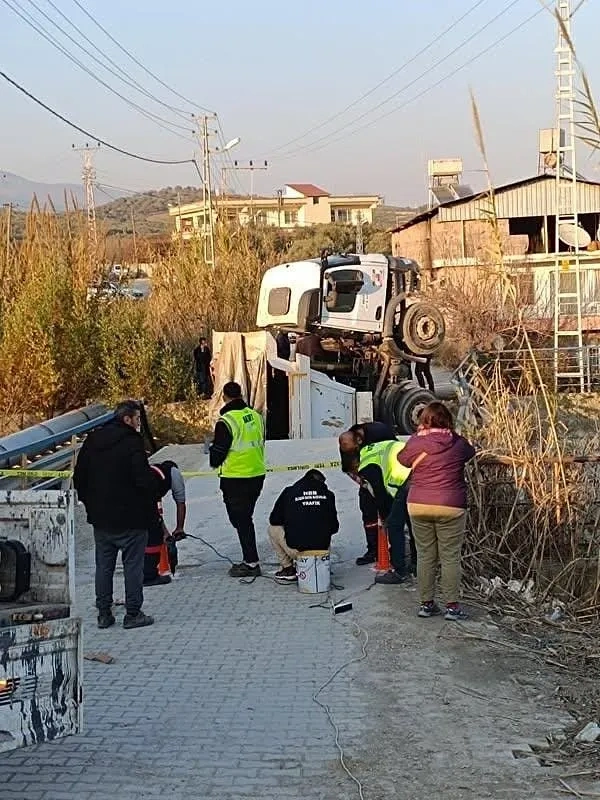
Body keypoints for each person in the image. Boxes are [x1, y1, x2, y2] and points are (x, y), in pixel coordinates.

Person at [73, 400, 156, 630]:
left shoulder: (93, 440)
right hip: (132, 518)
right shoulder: (132, 443)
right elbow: (142, 479)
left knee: (104, 567)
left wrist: (90, 505)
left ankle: (103, 613)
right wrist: (151, 501)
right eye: (137, 419)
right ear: (127, 419)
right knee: (132, 566)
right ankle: (133, 613)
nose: (140, 423)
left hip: (101, 519)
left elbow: (79, 477)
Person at [397, 402, 476, 621]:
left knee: (425, 555)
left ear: (424, 420)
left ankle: (426, 604)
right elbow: (471, 452)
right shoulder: (457, 443)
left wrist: (418, 436)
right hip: (451, 505)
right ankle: (452, 607)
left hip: (418, 504)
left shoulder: (416, 441)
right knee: (450, 557)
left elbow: (402, 460)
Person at [209, 382, 266, 578]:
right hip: (257, 475)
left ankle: (251, 563)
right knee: (244, 519)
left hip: (235, 478)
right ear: (240, 394)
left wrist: (212, 458)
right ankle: (250, 559)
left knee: (241, 520)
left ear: (224, 396)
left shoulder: (226, 421)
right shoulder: (256, 416)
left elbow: (217, 453)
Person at [346, 439, 413, 585]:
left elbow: (380, 493)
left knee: (394, 525)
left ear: (355, 466)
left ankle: (399, 571)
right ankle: (416, 564)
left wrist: (384, 517)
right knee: (413, 523)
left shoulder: (366, 467)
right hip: (415, 473)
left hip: (405, 482)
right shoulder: (368, 451)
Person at [339, 422, 396, 565]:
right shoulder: (348, 442)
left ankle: (396, 551)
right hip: (368, 478)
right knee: (367, 509)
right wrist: (363, 483)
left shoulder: (379, 432)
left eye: (354, 450)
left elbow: (394, 455)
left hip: (387, 477)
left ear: (359, 441)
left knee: (389, 513)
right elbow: (348, 466)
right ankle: (373, 550)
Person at [267, 469, 339, 581]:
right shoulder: (329, 495)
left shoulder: (289, 492)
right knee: (324, 526)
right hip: (321, 551)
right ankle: (321, 565)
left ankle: (288, 568)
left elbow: (274, 520)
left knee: (273, 529)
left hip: (296, 551)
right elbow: (334, 528)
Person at [143, 460, 187, 586]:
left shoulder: (158, 474)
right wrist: (169, 531)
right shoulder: (171, 474)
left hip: (139, 496)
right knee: (154, 534)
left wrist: (179, 528)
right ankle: (150, 575)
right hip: (145, 496)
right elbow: (180, 502)